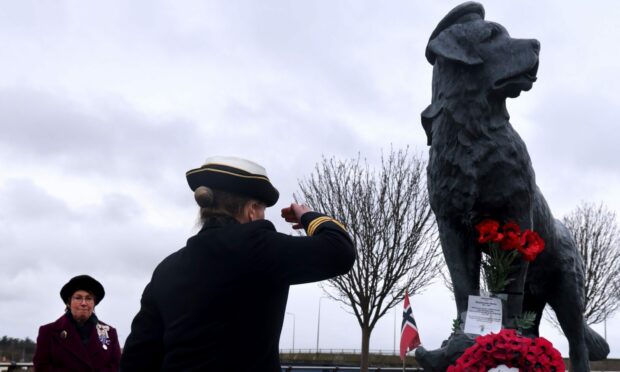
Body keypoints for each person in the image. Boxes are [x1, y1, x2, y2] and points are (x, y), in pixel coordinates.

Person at [120, 156, 356, 371]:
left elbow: (138, 357)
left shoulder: (166, 269)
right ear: (252, 210)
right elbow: (340, 251)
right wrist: (308, 216)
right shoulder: (257, 249)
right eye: (262, 209)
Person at [33, 275, 121, 371]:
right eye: (78, 298)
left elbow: (117, 367)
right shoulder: (48, 332)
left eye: (88, 298)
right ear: (68, 303)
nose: (84, 303)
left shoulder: (110, 333)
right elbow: (41, 367)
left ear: (94, 303)